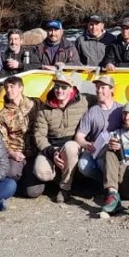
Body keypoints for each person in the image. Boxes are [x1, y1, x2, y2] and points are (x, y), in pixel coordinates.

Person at [32, 72, 89, 201]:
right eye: (57, 86)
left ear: (72, 89)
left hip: (73, 145)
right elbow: (39, 135)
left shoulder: (83, 102)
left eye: (64, 87)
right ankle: (62, 178)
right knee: (41, 172)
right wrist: (52, 153)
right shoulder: (44, 109)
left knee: (70, 147)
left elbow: (102, 101)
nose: (59, 90)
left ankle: (65, 188)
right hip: (52, 146)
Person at [74, 76, 123, 180]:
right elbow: (79, 136)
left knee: (105, 163)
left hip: (115, 150)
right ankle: (102, 182)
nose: (99, 90)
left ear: (112, 89)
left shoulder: (121, 109)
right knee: (83, 165)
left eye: (103, 87)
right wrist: (86, 144)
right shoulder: (91, 112)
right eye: (97, 87)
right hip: (95, 149)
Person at [0, 76, 39, 187]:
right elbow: (1, 138)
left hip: (35, 152)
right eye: (6, 87)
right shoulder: (2, 114)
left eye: (12, 86)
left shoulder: (35, 104)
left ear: (21, 88)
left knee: (33, 191)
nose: (8, 90)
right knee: (10, 173)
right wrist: (11, 153)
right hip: (16, 153)